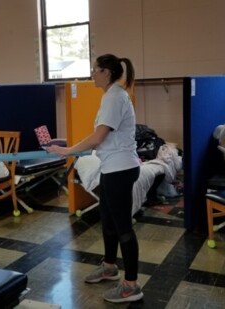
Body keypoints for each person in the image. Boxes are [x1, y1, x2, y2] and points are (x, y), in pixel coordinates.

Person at [47, 54, 142, 303]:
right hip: (112, 167)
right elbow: (101, 137)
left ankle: (131, 285)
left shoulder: (114, 97)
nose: (92, 74)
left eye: (95, 70)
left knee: (123, 228)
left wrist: (69, 150)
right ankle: (109, 267)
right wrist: (71, 146)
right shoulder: (111, 95)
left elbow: (98, 136)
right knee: (108, 221)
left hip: (121, 169)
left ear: (106, 73)